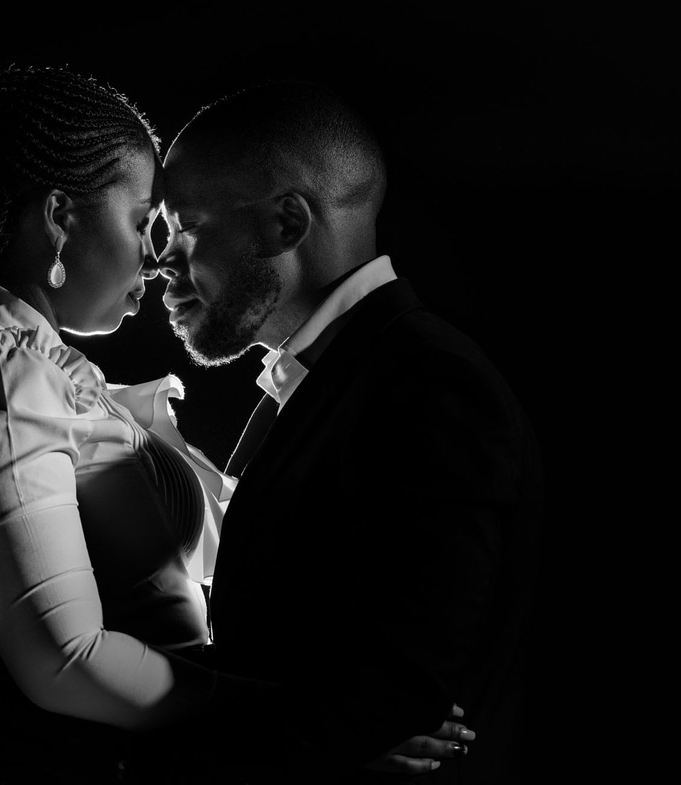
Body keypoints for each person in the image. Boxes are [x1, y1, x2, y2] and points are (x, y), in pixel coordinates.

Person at [0, 65, 470, 785]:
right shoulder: (7, 374)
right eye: (143, 222)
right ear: (60, 219)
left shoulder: (50, 378)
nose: (156, 259)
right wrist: (310, 719)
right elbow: (65, 657)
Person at [156, 80, 545, 783]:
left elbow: (400, 698)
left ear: (285, 224)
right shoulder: (334, 377)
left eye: (184, 225)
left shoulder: (431, 385)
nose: (162, 261)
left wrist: (129, 761)